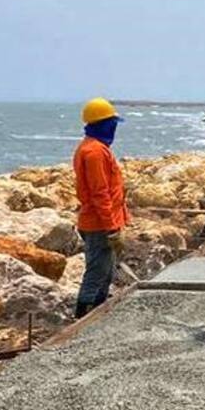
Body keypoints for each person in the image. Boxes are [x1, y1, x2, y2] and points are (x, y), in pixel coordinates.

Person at [73, 97, 128, 318]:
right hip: (99, 224)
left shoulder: (93, 148)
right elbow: (100, 193)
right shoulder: (94, 152)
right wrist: (111, 227)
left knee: (105, 272)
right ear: (103, 124)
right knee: (96, 272)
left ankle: (97, 313)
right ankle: (83, 316)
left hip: (102, 221)